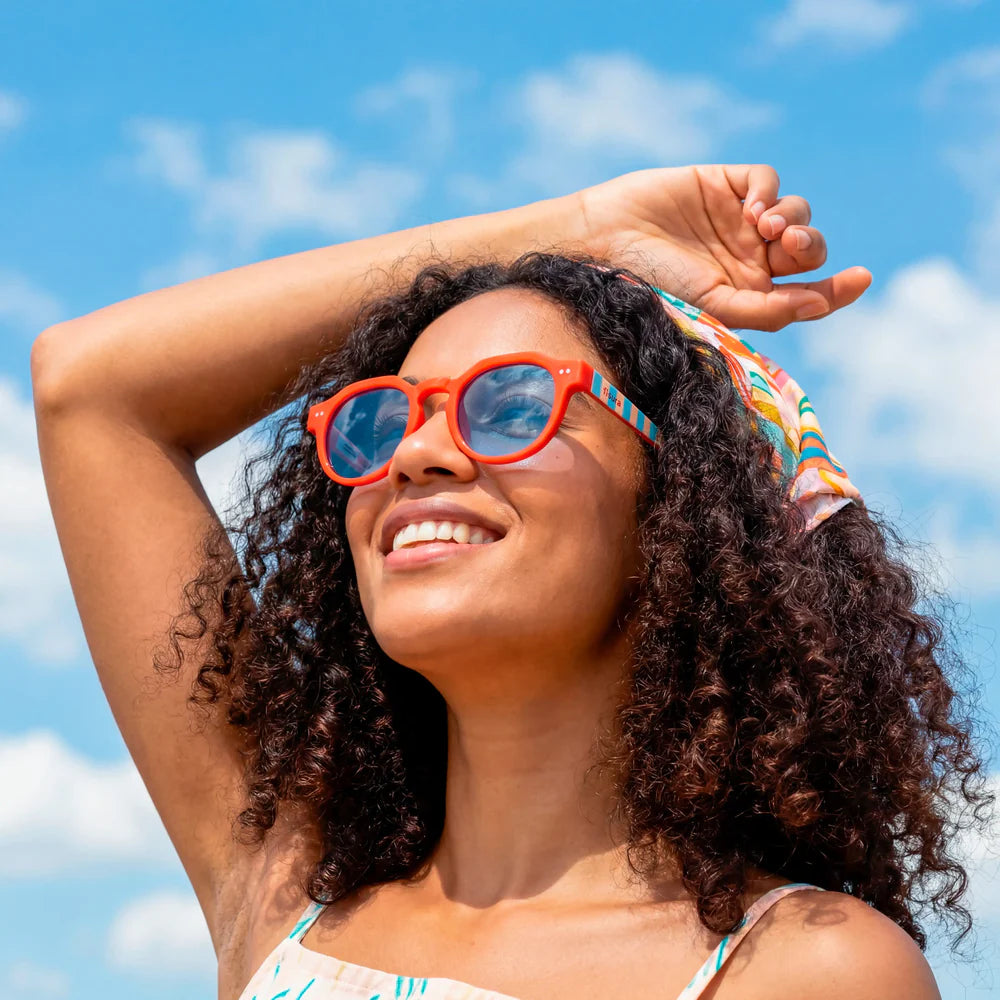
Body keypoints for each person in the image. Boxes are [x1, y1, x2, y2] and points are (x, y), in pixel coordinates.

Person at [31, 164, 991, 1000]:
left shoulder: (802, 970)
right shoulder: (287, 885)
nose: (416, 453)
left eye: (511, 405)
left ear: (679, 507)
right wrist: (573, 235)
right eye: (386, 419)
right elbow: (89, 386)